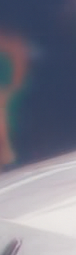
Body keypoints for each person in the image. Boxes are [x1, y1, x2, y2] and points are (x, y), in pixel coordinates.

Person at [0, 27, 29, 170]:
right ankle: (6, 155)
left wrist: (7, 93)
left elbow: (19, 77)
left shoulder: (13, 41)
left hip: (12, 92)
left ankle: (7, 153)